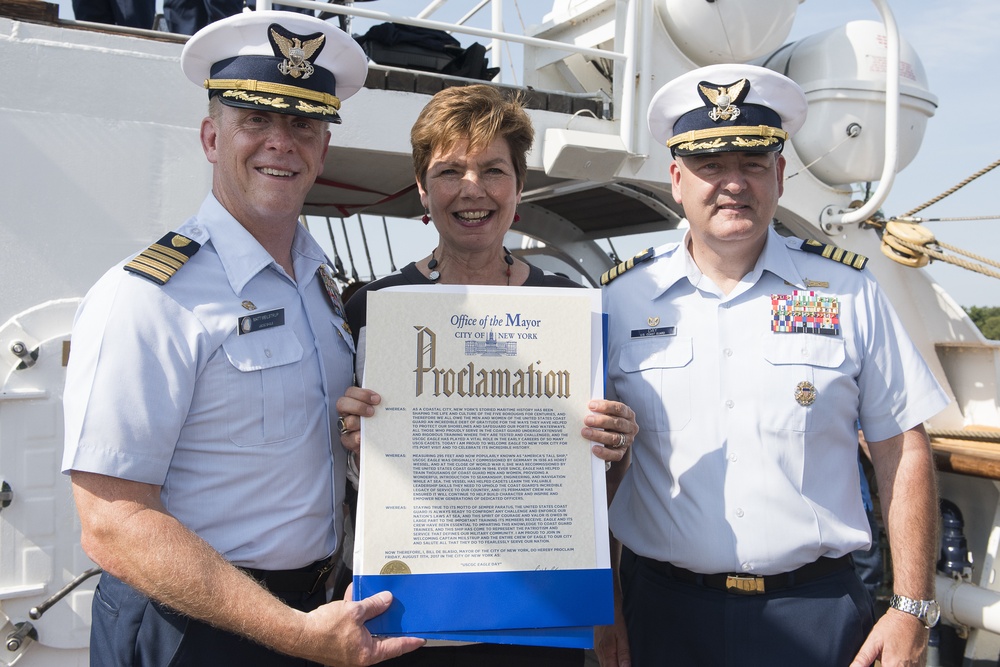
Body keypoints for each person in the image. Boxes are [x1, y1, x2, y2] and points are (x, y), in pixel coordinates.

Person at [61, 11, 423, 665]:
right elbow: (112, 523)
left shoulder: (318, 286)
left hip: (312, 612)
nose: (280, 143)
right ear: (210, 135)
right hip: (192, 628)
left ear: (323, 148)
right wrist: (292, 630)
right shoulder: (149, 296)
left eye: (303, 124)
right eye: (255, 119)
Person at [595, 64, 949, 667]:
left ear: (780, 176)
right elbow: (593, 468)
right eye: (711, 165)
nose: (733, 184)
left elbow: (901, 448)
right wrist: (601, 608)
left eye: (753, 164)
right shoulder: (618, 300)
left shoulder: (848, 292)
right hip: (661, 612)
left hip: (818, 613)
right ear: (676, 179)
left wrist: (912, 607)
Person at [334, 83, 639, 667]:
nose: (472, 189)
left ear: (518, 187)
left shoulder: (570, 309)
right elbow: (342, 478)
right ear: (423, 189)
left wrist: (616, 443)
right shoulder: (371, 309)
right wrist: (352, 439)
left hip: (537, 617)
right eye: (449, 171)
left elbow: (595, 483)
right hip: (404, 619)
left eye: (493, 170)